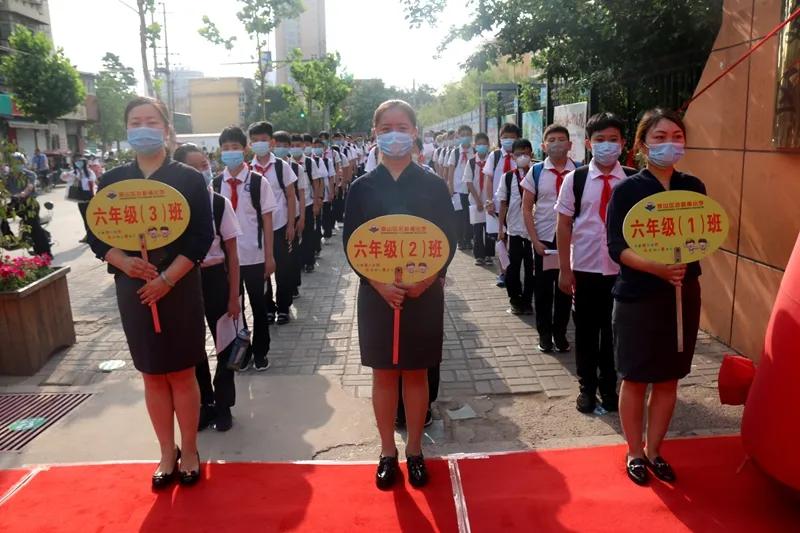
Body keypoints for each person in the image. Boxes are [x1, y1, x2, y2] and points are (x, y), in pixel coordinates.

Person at [87, 96, 213, 487]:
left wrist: (166, 279)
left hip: (177, 287)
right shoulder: (112, 182)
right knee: (152, 374)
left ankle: (189, 448)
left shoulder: (188, 179)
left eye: (151, 121)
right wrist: (125, 263)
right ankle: (165, 451)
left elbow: (200, 238)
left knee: (181, 372)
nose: (143, 127)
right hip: (134, 288)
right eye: (135, 121)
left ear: (166, 128)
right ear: (127, 130)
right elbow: (96, 235)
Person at [343, 100, 456, 490]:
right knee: (384, 373)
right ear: (375, 133)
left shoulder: (432, 184)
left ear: (414, 132)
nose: (395, 134)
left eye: (403, 126)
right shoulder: (362, 187)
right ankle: (387, 450)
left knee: (416, 371)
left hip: (423, 292)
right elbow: (351, 245)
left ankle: (414, 450)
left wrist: (428, 280)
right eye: (387, 127)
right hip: (378, 295)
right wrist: (378, 284)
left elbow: (448, 240)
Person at [606, 108, 704, 485]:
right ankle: (633, 451)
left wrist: (680, 266)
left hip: (682, 293)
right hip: (637, 296)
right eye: (660, 137)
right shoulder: (627, 189)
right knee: (635, 377)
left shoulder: (693, 187)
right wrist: (656, 267)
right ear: (643, 144)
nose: (669, 144)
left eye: (676, 136)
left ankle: (654, 450)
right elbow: (617, 246)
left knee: (668, 378)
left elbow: (701, 238)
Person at [555, 112, 639, 415]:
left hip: (622, 270)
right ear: (589, 144)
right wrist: (565, 269)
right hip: (586, 268)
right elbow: (563, 225)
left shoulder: (632, 179)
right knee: (587, 333)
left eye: (613, 140)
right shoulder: (574, 179)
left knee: (615, 332)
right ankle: (586, 389)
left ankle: (609, 388)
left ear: (623, 143)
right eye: (600, 140)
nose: (607, 145)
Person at [174, 143, 242, 433]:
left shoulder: (218, 203)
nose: (204, 170)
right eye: (195, 166)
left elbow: (233, 253)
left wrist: (234, 295)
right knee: (192, 347)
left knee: (225, 344)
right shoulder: (170, 208)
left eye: (205, 164)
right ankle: (205, 403)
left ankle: (224, 404)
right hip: (184, 280)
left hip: (216, 277)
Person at [212, 125, 278, 371]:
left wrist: (269, 257)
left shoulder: (258, 182)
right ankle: (242, 353)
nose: (230, 152)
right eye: (226, 148)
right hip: (229, 260)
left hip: (255, 257)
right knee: (234, 308)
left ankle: (261, 351)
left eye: (235, 148)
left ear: (244, 149)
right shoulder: (216, 183)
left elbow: (268, 222)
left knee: (259, 306)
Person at [521, 124, 577, 352]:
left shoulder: (580, 172)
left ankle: (560, 333)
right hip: (544, 240)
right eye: (551, 140)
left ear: (570, 144)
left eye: (561, 139)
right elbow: (526, 208)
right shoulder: (536, 172)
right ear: (543, 146)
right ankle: (544, 335)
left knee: (566, 288)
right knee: (543, 291)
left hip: (571, 241)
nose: (557, 143)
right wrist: (534, 241)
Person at [248, 122, 298, 326]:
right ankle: (268, 308)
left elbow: (290, 194)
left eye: (264, 140)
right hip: (256, 231)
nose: (260, 144)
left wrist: (291, 225)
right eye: (255, 141)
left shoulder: (281, 166)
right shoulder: (248, 169)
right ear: (250, 144)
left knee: (283, 268)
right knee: (262, 271)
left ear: (272, 142)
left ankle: (283, 308)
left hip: (279, 226)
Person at [498, 139, 535, 315]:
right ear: (512, 156)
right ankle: (515, 299)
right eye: (518, 154)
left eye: (526, 153)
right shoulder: (508, 177)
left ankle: (527, 301)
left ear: (532, 154)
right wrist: (501, 229)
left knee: (531, 269)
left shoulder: (538, 173)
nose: (522, 157)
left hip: (534, 232)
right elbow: (503, 203)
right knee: (512, 268)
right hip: (513, 229)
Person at [484, 123, 522, 288]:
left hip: (517, 207)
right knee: (501, 239)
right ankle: (503, 272)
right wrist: (489, 201)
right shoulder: (495, 156)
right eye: (505, 137)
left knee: (514, 240)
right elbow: (489, 179)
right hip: (499, 205)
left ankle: (514, 272)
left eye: (512, 137)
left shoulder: (521, 156)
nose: (508, 140)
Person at [1, 152, 51, 255]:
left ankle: (45, 253)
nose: (17, 164)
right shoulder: (6, 177)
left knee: (33, 226)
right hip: (14, 203)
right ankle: (9, 238)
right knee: (1, 215)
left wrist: (22, 194)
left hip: (30, 203)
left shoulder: (30, 174)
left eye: (19, 162)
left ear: (23, 162)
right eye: (14, 162)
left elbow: (30, 187)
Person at [462, 132, 494, 266]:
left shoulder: (492, 161)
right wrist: (478, 200)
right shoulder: (471, 162)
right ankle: (479, 255)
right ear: (475, 145)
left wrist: (489, 200)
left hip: (490, 201)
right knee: (477, 229)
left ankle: (489, 255)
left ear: (488, 145)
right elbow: (469, 182)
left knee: (490, 229)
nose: (482, 146)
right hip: (475, 202)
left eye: (484, 144)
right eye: (479, 144)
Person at [447, 125, 474, 251]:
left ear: (471, 136)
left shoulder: (474, 152)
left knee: (469, 215)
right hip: (458, 189)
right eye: (462, 135)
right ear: (458, 136)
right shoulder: (455, 152)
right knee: (458, 215)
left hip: (471, 189)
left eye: (467, 135)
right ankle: (460, 240)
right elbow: (451, 171)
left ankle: (468, 239)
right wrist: (450, 187)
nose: (465, 138)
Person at [61, 153, 97, 243]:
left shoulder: (89, 172)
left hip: (90, 197)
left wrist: (81, 178)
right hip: (80, 198)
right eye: (76, 161)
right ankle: (88, 236)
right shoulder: (74, 172)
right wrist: (67, 175)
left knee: (91, 217)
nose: (78, 163)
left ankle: (95, 235)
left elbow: (93, 180)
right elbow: (63, 177)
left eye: (80, 161)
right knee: (85, 217)